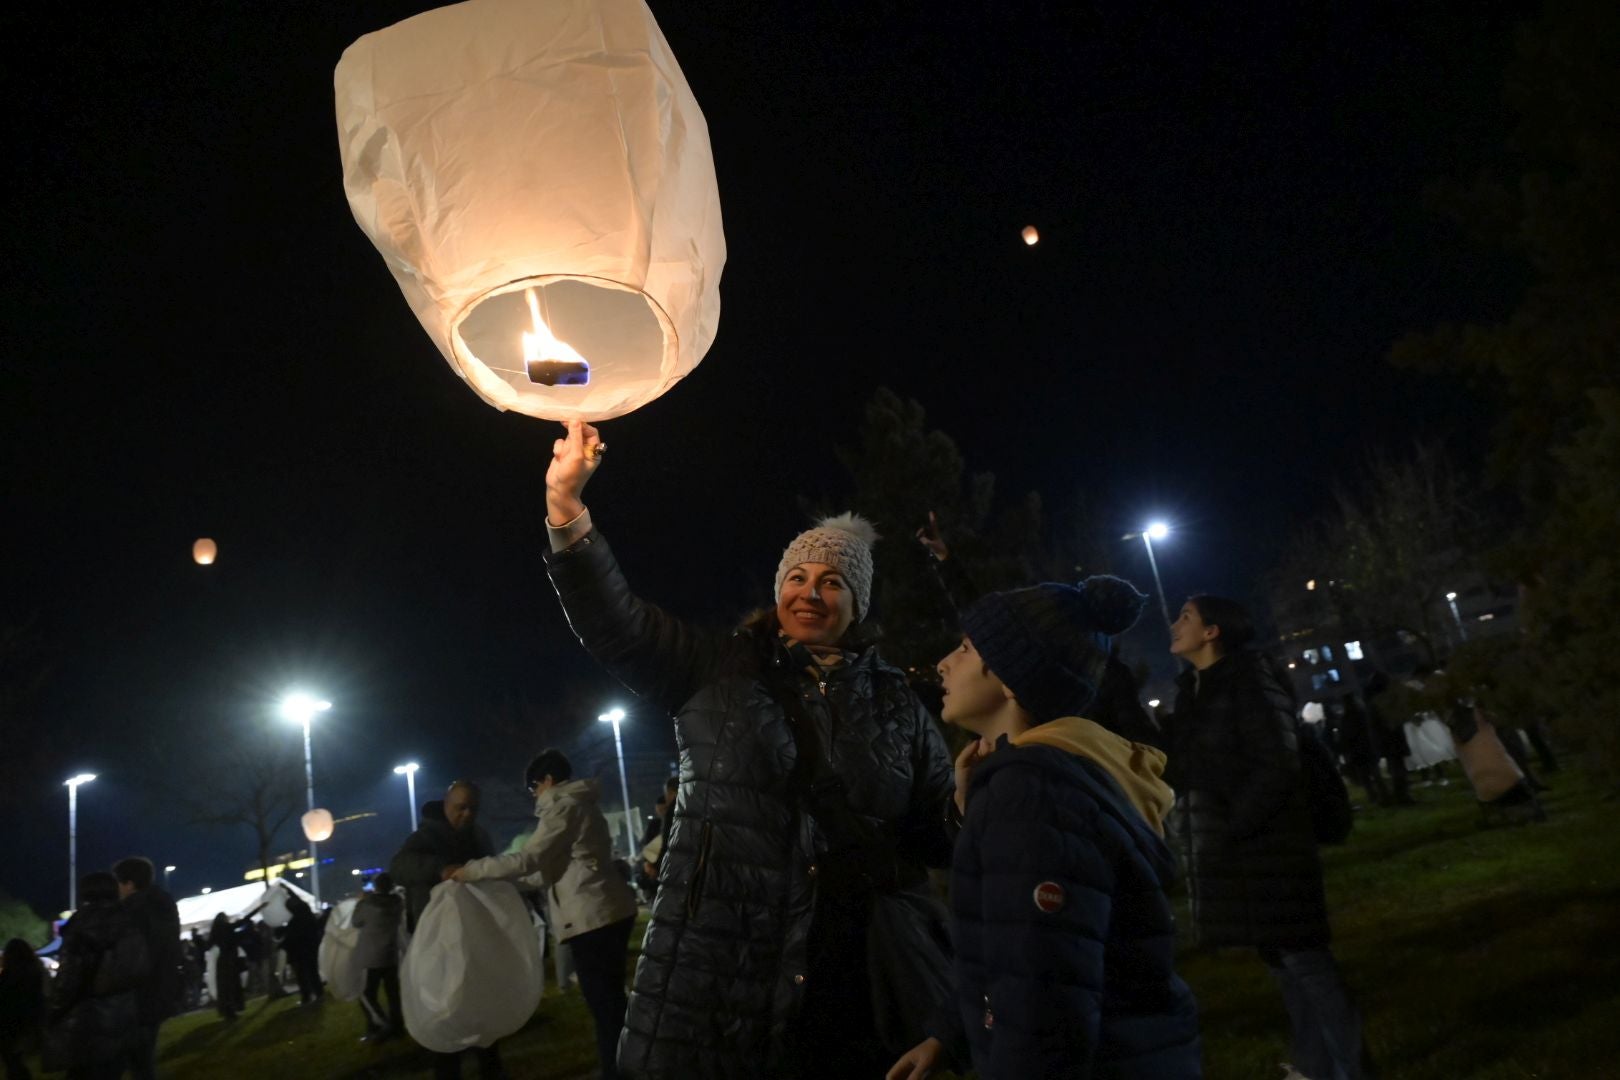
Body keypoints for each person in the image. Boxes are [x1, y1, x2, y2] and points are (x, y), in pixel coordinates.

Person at [542, 420, 955, 1079]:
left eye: (832, 581)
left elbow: (938, 836)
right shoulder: (717, 667)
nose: (810, 592)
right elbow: (618, 624)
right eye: (797, 576)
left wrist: (975, 793)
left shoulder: (897, 700)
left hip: (858, 979)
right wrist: (567, 511)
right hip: (725, 971)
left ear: (858, 602)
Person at [888, 578, 1200, 1079]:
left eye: (966, 649)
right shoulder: (1052, 774)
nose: (945, 662)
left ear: (1011, 679)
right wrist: (951, 1032)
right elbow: (1012, 946)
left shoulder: (1031, 795)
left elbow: (1043, 1004)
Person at [1163, 596, 1372, 1080]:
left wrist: (1234, 827)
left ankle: (1353, 1069)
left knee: (1308, 965)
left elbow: (1276, 764)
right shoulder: (1195, 690)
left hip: (1268, 848)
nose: (1175, 624)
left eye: (1187, 617)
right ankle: (1316, 1065)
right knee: (1282, 962)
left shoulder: (1250, 680)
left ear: (1213, 631)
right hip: (1241, 853)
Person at [453, 748, 640, 1080]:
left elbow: (528, 859)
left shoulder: (563, 808)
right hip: (604, 909)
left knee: (605, 1004)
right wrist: (504, 886)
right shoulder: (580, 806)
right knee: (609, 1000)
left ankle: (619, 1070)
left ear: (548, 780)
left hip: (593, 915)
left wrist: (469, 871)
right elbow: (544, 873)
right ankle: (623, 1063)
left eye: (533, 788)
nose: (533, 796)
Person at [389, 782, 504, 1079]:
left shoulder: (478, 837)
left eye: (472, 809)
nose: (466, 814)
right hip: (438, 939)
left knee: (481, 1005)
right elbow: (399, 867)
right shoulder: (424, 837)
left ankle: (491, 1070)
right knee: (445, 1009)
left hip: (473, 934)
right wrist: (440, 869)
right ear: (446, 804)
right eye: (460, 807)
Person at [45, 872, 147, 1079]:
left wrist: (54, 1011)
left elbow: (69, 976)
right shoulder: (130, 920)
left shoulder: (81, 923)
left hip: (88, 1019)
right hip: (124, 1013)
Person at [111, 856, 183, 1080]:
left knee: (134, 1062)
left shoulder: (131, 911)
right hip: (160, 989)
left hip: (137, 995)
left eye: (118, 884)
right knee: (143, 1059)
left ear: (129, 884)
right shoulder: (164, 905)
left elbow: (127, 956)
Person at [351, 874, 405, 1042]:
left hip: (371, 956)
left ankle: (379, 1025)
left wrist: (361, 901)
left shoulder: (367, 904)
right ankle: (397, 1026)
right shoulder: (398, 903)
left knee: (367, 994)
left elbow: (356, 922)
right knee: (393, 993)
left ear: (375, 886)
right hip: (390, 953)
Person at [0, 938, 46, 1080]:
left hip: (10, 1025)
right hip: (26, 1023)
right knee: (16, 1061)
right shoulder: (35, 972)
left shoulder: (10, 975)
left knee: (13, 1062)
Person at [276, 896, 323, 1005]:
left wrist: (282, 945)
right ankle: (318, 993)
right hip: (310, 949)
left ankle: (307, 996)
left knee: (302, 975)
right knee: (313, 972)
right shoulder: (307, 916)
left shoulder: (295, 921)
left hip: (300, 952)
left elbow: (291, 937)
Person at [206, 912, 245, 1021]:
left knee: (224, 988)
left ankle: (227, 1011)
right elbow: (242, 922)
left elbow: (208, 945)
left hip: (222, 961)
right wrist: (258, 909)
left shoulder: (215, 931)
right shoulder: (227, 927)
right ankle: (232, 1010)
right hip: (230, 960)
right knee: (232, 986)